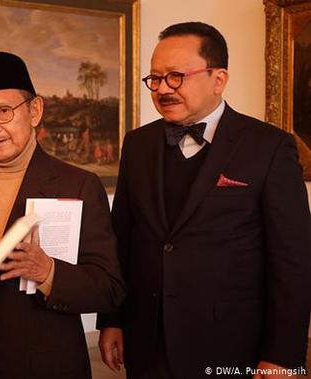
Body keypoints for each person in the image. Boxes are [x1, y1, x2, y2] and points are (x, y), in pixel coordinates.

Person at [97, 22, 311, 379]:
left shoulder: (269, 147)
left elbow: (293, 262)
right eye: (155, 78)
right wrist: (112, 320)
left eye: (176, 76)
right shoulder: (137, 144)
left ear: (218, 79)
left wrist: (282, 357)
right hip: (147, 342)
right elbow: (123, 241)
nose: (163, 89)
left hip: (231, 346)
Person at [0, 51, 126, 379]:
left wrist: (48, 273)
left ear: (35, 111)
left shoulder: (79, 184)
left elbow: (108, 287)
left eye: (3, 112)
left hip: (46, 361)